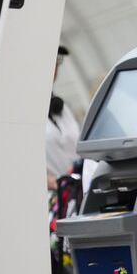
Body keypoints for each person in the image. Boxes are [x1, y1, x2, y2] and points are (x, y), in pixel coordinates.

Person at [45, 46, 82, 189]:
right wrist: (51, 183)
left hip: (74, 193)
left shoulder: (62, 108)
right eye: (50, 60)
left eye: (57, 61)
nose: (54, 68)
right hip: (49, 200)